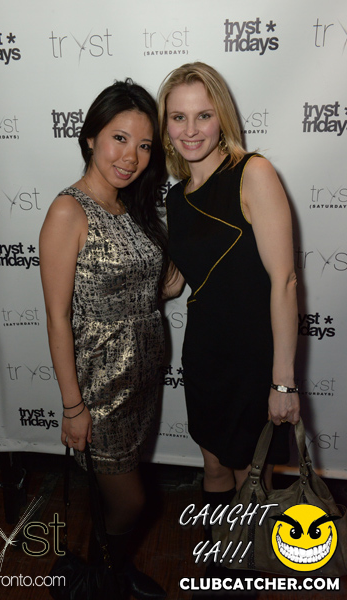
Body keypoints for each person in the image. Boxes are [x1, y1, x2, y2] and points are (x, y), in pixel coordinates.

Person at [158, 62, 300, 594]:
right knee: (213, 465)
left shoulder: (252, 173)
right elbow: (176, 283)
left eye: (203, 115)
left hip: (252, 357)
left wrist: (282, 381)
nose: (191, 129)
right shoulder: (176, 197)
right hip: (204, 355)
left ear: (222, 118)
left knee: (250, 474)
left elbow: (284, 280)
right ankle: (222, 561)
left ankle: (251, 571)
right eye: (178, 117)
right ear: (165, 125)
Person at [39, 79, 169, 599]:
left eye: (144, 145)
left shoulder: (131, 207)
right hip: (101, 390)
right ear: (91, 137)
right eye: (119, 138)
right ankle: (101, 576)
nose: (131, 156)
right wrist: (73, 407)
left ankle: (110, 572)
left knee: (120, 497)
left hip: (143, 379)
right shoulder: (69, 211)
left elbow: (158, 286)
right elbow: (57, 318)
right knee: (131, 501)